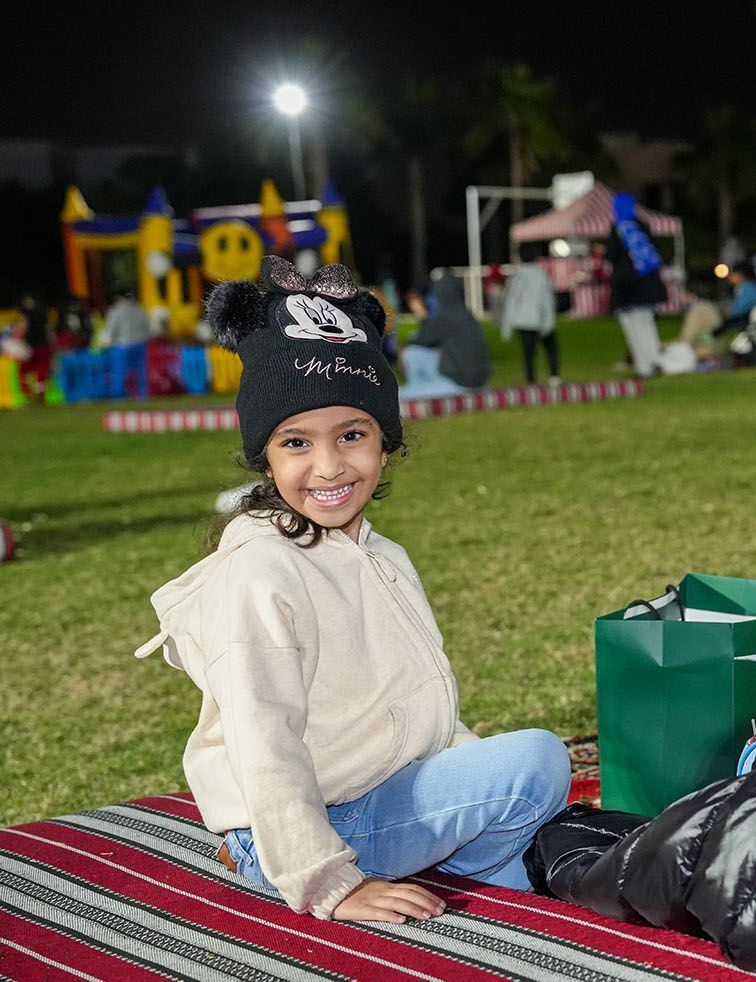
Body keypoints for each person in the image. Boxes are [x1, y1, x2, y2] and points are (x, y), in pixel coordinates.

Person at [135, 255, 570, 922]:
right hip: (307, 832)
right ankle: (486, 886)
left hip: (374, 794)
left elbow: (422, 700)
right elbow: (263, 739)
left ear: (385, 443)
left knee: (527, 773)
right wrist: (329, 883)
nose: (330, 465)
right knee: (536, 766)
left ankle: (497, 885)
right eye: (296, 443)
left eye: (352, 435)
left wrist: (475, 769)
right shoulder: (261, 571)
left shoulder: (381, 556)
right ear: (265, 458)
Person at [606, 192, 667, 377]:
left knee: (633, 328)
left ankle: (644, 367)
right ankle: (655, 361)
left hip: (628, 289)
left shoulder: (618, 229)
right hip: (647, 287)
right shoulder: (643, 226)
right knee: (647, 325)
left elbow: (612, 256)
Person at [400, 275, 491, 397]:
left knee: (399, 394)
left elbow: (419, 339)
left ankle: (419, 392)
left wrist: (421, 314)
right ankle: (422, 388)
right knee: (415, 354)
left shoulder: (448, 317)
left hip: (459, 385)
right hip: (477, 381)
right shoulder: (466, 316)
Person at [500, 243, 560, 385]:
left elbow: (511, 301)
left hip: (522, 321)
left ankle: (531, 380)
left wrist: (506, 327)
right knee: (551, 348)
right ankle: (554, 376)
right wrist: (548, 322)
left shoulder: (517, 276)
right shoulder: (541, 275)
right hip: (539, 318)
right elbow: (547, 300)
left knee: (528, 353)